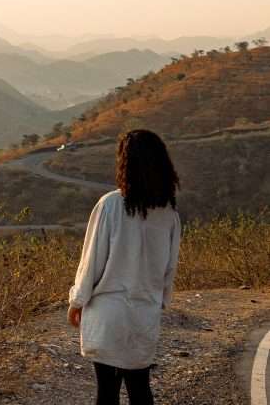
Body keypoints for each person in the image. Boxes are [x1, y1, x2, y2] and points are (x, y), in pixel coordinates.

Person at [67, 129, 181, 405]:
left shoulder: (110, 205)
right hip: (143, 314)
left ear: (125, 163)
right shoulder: (169, 213)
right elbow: (169, 269)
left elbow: (91, 261)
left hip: (108, 313)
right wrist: (160, 301)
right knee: (140, 389)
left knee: (106, 392)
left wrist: (77, 300)